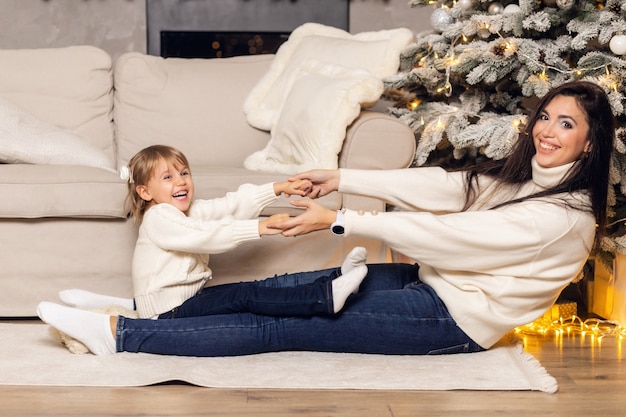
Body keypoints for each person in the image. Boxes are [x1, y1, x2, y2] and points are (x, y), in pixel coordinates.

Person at [38, 81, 615, 357]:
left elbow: (451, 236)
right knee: (284, 288)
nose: (546, 130)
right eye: (546, 116)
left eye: (566, 124)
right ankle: (145, 313)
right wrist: (342, 178)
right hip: (434, 286)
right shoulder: (522, 180)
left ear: (590, 144)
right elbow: (448, 187)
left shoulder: (562, 218)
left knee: (285, 328)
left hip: (455, 321)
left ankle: (124, 335)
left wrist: (341, 220)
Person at [44, 144, 370, 353]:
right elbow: (205, 235)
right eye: (168, 177)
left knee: (249, 290)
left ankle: (331, 285)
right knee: (244, 297)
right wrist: (261, 227)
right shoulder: (160, 217)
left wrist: (277, 188)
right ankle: (326, 297)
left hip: (186, 301)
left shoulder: (183, 211)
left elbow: (227, 207)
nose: (181, 181)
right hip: (167, 312)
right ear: (145, 192)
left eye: (184, 173)